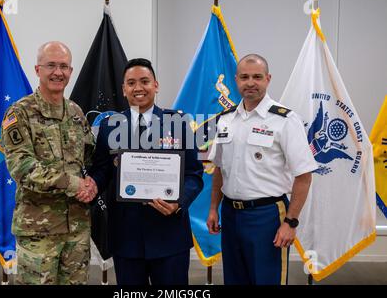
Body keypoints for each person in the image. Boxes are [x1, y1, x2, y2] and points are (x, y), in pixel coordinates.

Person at [87, 58, 204, 285]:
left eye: (144, 81)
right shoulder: (110, 125)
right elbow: (102, 170)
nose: (138, 88)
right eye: (131, 83)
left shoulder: (178, 123)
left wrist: (178, 202)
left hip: (169, 235)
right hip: (126, 237)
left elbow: (194, 174)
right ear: (123, 89)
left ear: (156, 85)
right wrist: (92, 184)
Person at [206, 54, 318, 285]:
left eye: (257, 77)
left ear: (268, 79)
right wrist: (213, 208)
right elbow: (219, 169)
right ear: (236, 80)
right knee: (235, 280)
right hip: (230, 213)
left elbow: (304, 176)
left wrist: (291, 222)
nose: (250, 83)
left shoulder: (285, 120)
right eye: (245, 77)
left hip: (267, 216)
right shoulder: (226, 120)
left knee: (267, 280)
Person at [2, 41, 97, 285]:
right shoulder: (19, 113)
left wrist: (93, 182)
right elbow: (22, 167)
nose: (58, 72)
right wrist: (74, 184)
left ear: (71, 72)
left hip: (76, 228)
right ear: (37, 70)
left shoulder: (76, 113)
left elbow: (90, 159)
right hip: (38, 232)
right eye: (51, 65)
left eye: (64, 66)